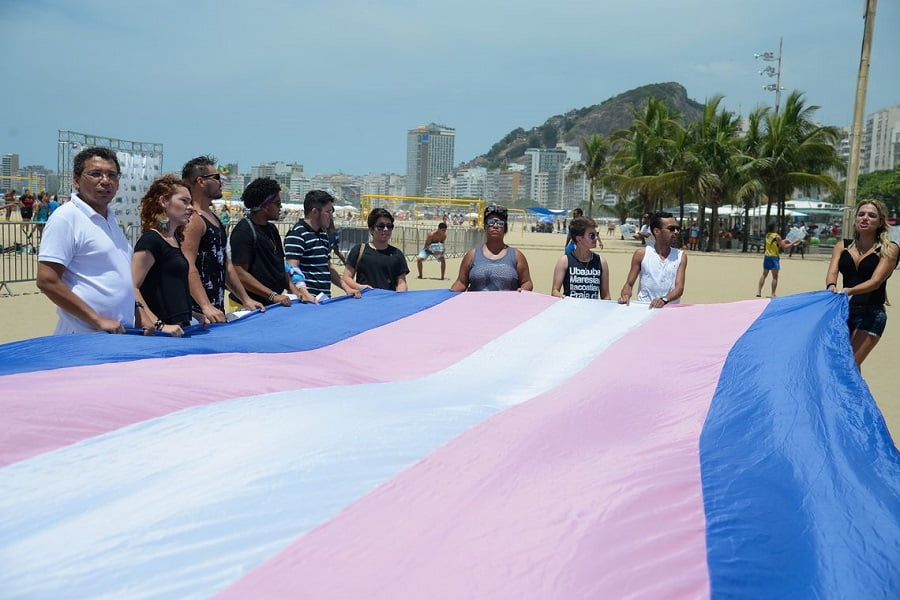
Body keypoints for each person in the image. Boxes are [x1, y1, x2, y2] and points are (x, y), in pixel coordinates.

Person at [37, 147, 134, 334]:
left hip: (118, 333)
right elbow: (47, 280)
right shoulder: (66, 217)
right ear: (76, 180)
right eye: (95, 174)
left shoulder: (110, 219)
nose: (105, 181)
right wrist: (96, 320)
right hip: (84, 335)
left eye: (111, 175)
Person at [180, 155, 263, 322]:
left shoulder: (212, 218)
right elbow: (186, 265)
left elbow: (225, 264)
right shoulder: (194, 220)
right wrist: (204, 305)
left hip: (214, 313)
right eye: (216, 178)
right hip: (196, 316)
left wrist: (246, 299)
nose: (221, 182)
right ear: (201, 181)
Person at [825, 199, 897, 368]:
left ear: (880, 222)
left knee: (849, 366)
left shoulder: (889, 248)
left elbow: (875, 282)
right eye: (861, 214)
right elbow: (832, 272)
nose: (865, 218)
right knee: (838, 365)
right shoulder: (842, 246)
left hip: (871, 313)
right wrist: (831, 286)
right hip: (845, 312)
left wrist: (849, 291)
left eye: (871, 216)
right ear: (856, 219)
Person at [132, 175, 202, 337]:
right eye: (184, 201)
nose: (191, 207)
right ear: (164, 202)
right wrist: (159, 325)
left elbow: (170, 289)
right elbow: (132, 287)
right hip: (161, 336)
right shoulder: (151, 240)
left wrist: (192, 315)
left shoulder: (173, 240)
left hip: (179, 330)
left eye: (190, 202)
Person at [229, 177, 304, 307]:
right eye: (277, 203)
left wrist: (294, 290)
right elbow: (239, 273)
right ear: (265, 206)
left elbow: (280, 267)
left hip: (273, 303)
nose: (280, 206)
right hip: (249, 305)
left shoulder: (272, 229)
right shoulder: (244, 231)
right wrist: (272, 295)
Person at [284, 190, 358, 299]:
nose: (331, 216)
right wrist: (306, 295)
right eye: (328, 212)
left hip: (322, 299)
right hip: (306, 301)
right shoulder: (297, 233)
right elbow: (291, 269)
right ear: (314, 212)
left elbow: (327, 266)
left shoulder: (322, 234)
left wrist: (347, 288)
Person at [451, 204, 533, 292]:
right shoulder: (472, 254)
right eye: (491, 222)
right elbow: (461, 282)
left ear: (505, 228)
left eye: (500, 223)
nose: (495, 226)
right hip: (477, 305)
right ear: (485, 227)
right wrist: (447, 295)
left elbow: (527, 282)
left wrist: (523, 289)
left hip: (507, 304)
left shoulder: (517, 256)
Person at [618, 211, 687, 309]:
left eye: (677, 228)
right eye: (671, 229)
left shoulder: (680, 256)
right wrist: (625, 296)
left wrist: (664, 300)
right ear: (656, 231)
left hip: (669, 310)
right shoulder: (641, 254)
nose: (676, 232)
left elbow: (679, 288)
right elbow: (629, 284)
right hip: (645, 310)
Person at [342, 208, 409, 292]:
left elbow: (401, 282)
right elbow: (346, 277)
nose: (385, 229)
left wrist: (400, 295)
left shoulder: (397, 254)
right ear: (371, 229)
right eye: (380, 226)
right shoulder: (359, 250)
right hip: (364, 301)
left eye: (389, 226)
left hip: (389, 302)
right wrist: (361, 288)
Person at [551, 216, 610, 299]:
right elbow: (555, 291)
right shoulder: (565, 261)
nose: (596, 238)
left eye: (597, 234)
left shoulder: (601, 262)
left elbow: (606, 295)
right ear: (579, 238)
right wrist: (564, 298)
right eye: (592, 235)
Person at [756, 222, 794, 297]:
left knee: (764, 274)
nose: (777, 228)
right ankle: (773, 293)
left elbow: (778, 242)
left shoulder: (767, 235)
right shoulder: (777, 236)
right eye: (776, 226)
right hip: (774, 258)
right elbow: (784, 247)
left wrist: (786, 240)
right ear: (774, 228)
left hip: (767, 256)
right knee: (775, 277)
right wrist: (793, 243)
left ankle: (759, 292)